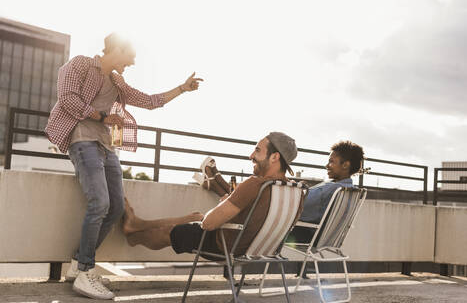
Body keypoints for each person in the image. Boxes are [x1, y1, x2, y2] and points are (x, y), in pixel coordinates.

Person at [45, 33, 203, 300]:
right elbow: (68, 99)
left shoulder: (117, 81)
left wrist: (182, 88)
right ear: (116, 49)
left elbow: (150, 101)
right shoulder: (80, 64)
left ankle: (77, 264)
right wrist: (104, 116)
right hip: (83, 141)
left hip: (107, 148)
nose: (131, 62)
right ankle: (85, 270)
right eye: (130, 56)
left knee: (116, 208)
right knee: (100, 203)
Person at [122, 132, 300, 261]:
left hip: (225, 246)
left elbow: (209, 224)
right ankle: (137, 224)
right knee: (195, 218)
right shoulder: (297, 191)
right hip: (261, 250)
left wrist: (226, 203)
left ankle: (133, 237)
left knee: (173, 232)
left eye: (258, 151)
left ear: (275, 157)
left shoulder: (255, 184)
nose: (251, 156)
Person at [286, 140, 364, 276]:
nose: (327, 165)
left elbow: (297, 202)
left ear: (346, 165)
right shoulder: (351, 191)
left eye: (332, 161)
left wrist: (298, 188)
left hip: (309, 237)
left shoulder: (331, 189)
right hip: (330, 239)